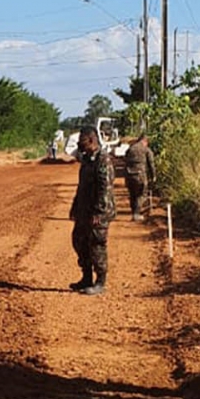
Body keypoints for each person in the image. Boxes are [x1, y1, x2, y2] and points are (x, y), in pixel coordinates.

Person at [69, 125, 116, 295]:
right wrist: (75, 206)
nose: (80, 145)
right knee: (79, 241)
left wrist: (99, 212)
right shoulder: (87, 160)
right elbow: (81, 186)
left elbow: (106, 188)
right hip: (84, 209)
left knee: (96, 245)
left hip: (98, 212)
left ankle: (100, 282)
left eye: (82, 141)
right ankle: (86, 277)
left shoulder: (103, 160)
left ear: (92, 140)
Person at [123, 133, 156, 221]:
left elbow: (125, 161)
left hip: (129, 175)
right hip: (140, 175)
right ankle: (136, 214)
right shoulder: (146, 150)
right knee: (142, 194)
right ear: (146, 141)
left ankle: (134, 213)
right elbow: (151, 164)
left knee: (133, 194)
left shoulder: (130, 149)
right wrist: (153, 176)